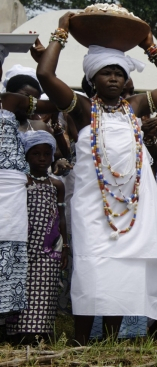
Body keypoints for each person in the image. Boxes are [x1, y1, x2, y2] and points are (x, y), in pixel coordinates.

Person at [36, 12, 157, 344]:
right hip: (92, 206)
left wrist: (150, 46)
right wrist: (61, 32)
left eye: (119, 73)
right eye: (105, 73)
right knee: (91, 270)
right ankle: (81, 340)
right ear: (92, 78)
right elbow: (44, 73)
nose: (113, 79)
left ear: (128, 79)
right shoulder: (81, 108)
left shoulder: (137, 105)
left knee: (123, 273)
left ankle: (111, 342)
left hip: (133, 209)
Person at [6, 131, 68, 341]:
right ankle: (18, 333)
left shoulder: (56, 184)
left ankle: (40, 332)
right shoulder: (22, 181)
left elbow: (61, 217)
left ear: (52, 156)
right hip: (23, 244)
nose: (41, 158)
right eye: (35, 154)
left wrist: (65, 246)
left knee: (45, 288)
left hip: (48, 247)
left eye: (46, 154)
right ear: (26, 156)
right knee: (21, 287)